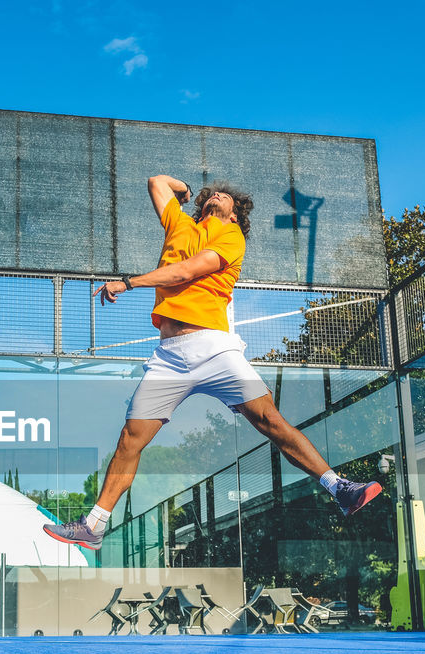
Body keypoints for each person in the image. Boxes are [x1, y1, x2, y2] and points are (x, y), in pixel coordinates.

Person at [44, 175, 382, 550]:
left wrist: (129, 282)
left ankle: (340, 488)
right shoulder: (180, 223)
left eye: (226, 197)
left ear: (235, 216)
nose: (218, 194)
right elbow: (156, 182)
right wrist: (184, 188)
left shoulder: (231, 238)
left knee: (270, 419)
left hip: (214, 347)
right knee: (130, 440)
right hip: (168, 358)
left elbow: (187, 272)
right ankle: (94, 525)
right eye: (211, 194)